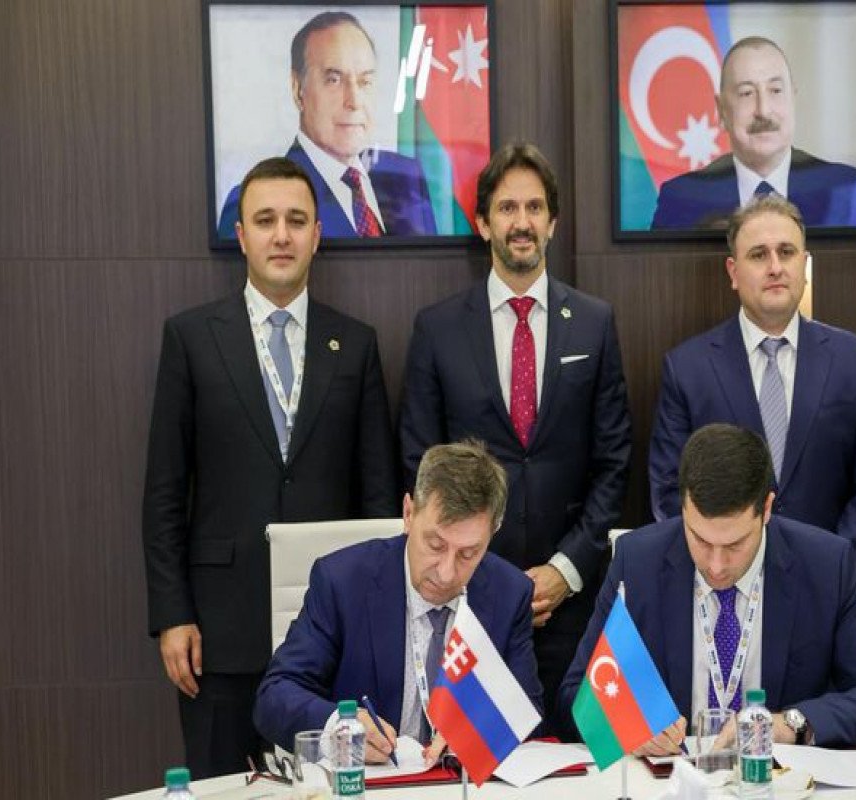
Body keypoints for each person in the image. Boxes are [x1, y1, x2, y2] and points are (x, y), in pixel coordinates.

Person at [143, 156, 400, 777]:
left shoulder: (355, 344)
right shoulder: (191, 339)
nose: (281, 235)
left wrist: (374, 619)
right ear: (241, 235)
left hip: (329, 631)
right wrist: (172, 615)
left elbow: (378, 495)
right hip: (218, 634)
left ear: (317, 234)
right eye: (265, 220)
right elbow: (164, 492)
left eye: (296, 220)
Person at [400, 142, 633, 733]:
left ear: (553, 222)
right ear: (483, 223)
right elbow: (419, 462)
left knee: (585, 756)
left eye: (534, 208)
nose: (521, 222)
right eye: (506, 208)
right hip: (469, 599)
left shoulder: (596, 323)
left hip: (575, 603)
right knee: (477, 758)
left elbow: (614, 463)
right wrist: (488, 576)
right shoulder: (437, 329)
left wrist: (565, 569)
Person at [560, 424, 856, 751]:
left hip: (777, 780)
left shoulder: (824, 566)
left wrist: (790, 725)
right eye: (700, 540)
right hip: (673, 780)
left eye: (734, 545)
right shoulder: (638, 562)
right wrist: (627, 726)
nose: (716, 565)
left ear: (767, 509)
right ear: (683, 507)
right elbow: (575, 696)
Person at [649, 194, 856, 591]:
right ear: (733, 271)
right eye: (758, 255)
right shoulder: (687, 369)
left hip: (830, 590)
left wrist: (829, 564)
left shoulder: (855, 361)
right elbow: (668, 491)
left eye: (786, 252)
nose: (775, 267)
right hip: (724, 589)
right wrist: (723, 563)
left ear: (804, 264)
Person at [253, 440, 542, 760]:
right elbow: (275, 695)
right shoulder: (343, 582)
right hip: (367, 780)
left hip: (457, 782)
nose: (446, 573)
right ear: (408, 513)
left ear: (492, 534)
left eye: (468, 554)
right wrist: (339, 728)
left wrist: (480, 734)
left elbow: (526, 715)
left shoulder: (508, 593)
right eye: (435, 545)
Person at [217, 11, 436, 239]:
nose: (354, 101)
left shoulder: (406, 177)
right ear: (297, 89)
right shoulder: (253, 201)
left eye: (365, 81)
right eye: (334, 80)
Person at [651, 36, 856, 231]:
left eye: (775, 91)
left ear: (793, 99)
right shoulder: (681, 199)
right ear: (721, 111)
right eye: (746, 93)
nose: (763, 110)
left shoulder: (848, 190)